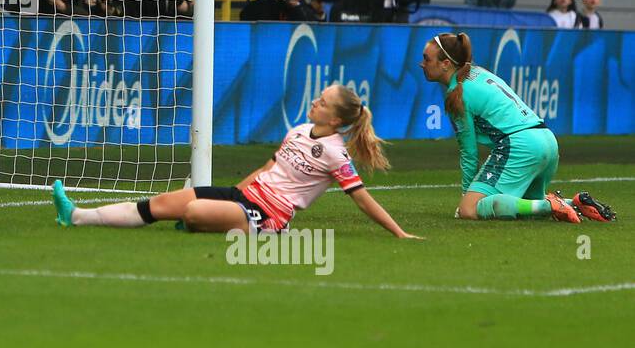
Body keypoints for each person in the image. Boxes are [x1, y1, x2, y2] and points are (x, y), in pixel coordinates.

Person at [51, 84, 420, 239]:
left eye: (322, 103)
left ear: (336, 120)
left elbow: (361, 197)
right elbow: (267, 169)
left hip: (270, 217)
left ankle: (213, 223)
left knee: (193, 213)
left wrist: (399, 232)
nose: (315, 103)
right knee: (162, 205)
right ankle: (78, 215)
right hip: (245, 198)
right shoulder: (299, 130)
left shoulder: (337, 154)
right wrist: (233, 193)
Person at [417, 32, 615, 223]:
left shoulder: (455, 93)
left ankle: (551, 205)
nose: (422, 64)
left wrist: (467, 199)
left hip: (520, 145)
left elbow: (468, 152)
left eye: (426, 59)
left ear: (445, 64)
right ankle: (575, 204)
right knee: (526, 206)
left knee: (471, 209)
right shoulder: (479, 73)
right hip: (547, 140)